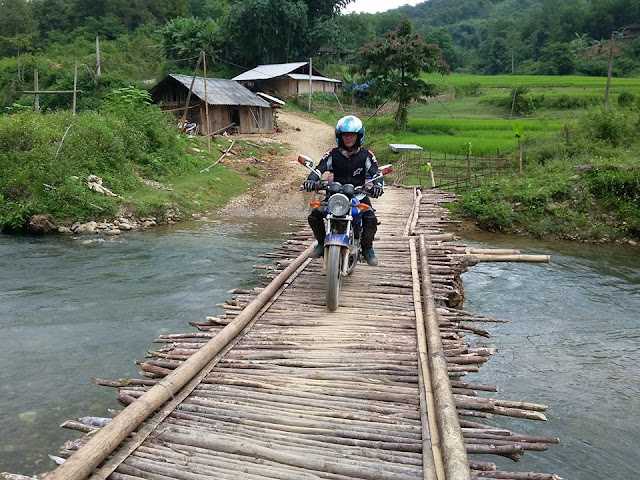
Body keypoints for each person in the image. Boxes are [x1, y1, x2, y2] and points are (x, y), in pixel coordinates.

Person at [303, 115, 384, 266]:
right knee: (315, 215)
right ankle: (321, 244)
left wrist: (378, 185)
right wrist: (311, 180)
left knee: (370, 218)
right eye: (345, 135)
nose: (348, 138)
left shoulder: (366, 155)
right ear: (339, 136)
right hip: (335, 195)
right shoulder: (332, 154)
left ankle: (367, 248)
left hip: (358, 195)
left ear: (358, 136)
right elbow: (319, 169)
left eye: (352, 135)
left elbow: (375, 172)